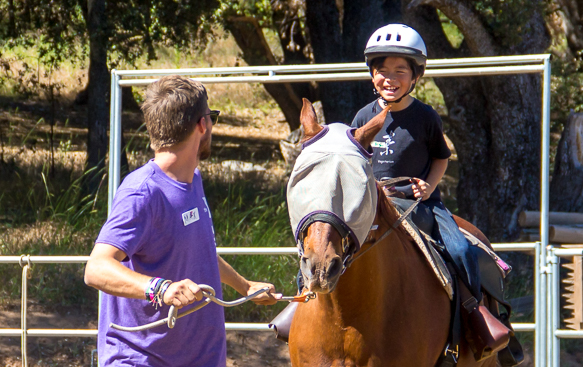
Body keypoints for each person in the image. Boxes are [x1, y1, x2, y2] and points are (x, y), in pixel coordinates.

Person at [84, 75, 282, 367]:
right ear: (202, 124)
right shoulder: (142, 192)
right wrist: (161, 289)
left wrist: (245, 286)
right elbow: (97, 268)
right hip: (141, 360)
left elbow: (195, 252)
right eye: (211, 118)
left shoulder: (193, 179)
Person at [351, 23, 482, 312]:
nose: (390, 78)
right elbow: (354, 161)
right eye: (383, 69)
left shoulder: (426, 117)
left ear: (416, 76)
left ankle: (475, 317)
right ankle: (303, 300)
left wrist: (429, 187)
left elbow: (441, 157)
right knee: (326, 247)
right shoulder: (362, 116)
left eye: (401, 70)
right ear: (372, 73)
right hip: (372, 204)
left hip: (418, 204)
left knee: (461, 251)